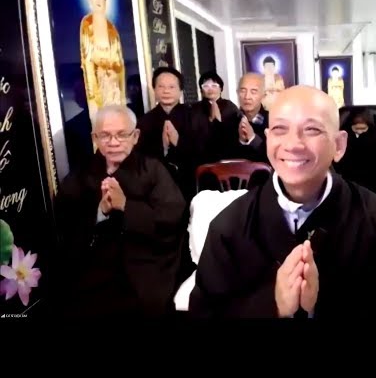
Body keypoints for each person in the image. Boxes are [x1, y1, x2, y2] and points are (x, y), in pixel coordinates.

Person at [189, 85, 376, 318]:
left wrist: (323, 302)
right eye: (280, 129)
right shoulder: (230, 225)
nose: (293, 144)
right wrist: (272, 305)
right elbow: (205, 312)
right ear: (268, 139)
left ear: (339, 145)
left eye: (312, 130)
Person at [52, 105, 186, 319]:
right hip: (96, 265)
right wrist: (100, 212)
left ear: (135, 136)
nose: (113, 142)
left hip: (146, 263)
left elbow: (173, 217)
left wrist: (126, 206)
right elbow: (65, 222)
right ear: (95, 138)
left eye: (122, 135)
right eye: (105, 135)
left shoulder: (153, 169)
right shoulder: (81, 174)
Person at [136, 67, 202, 201]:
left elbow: (204, 152)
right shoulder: (145, 121)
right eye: (161, 86)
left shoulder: (195, 116)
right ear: (154, 90)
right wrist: (163, 148)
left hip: (191, 183)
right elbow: (141, 158)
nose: (166, 91)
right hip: (158, 186)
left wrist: (178, 142)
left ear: (180, 91)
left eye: (171, 87)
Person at [80, 0, 126, 124]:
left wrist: (122, 97)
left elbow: (120, 67)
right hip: (98, 93)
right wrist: (93, 100)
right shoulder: (87, 24)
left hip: (115, 92)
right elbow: (87, 64)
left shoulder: (112, 29)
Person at [333, 111, 376, 199]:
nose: (359, 129)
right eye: (356, 126)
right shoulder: (344, 138)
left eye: (363, 127)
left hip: (371, 184)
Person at [219, 72, 269, 164]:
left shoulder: (273, 122)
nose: (247, 97)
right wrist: (241, 141)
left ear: (263, 95)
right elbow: (222, 160)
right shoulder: (227, 122)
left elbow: (275, 159)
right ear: (237, 93)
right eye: (243, 91)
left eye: (253, 91)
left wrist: (253, 139)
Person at [191, 71, 239, 165]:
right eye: (206, 86)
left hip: (227, 156)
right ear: (201, 90)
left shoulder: (230, 106)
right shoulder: (194, 109)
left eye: (214, 85)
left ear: (221, 88)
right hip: (201, 157)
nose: (210, 89)